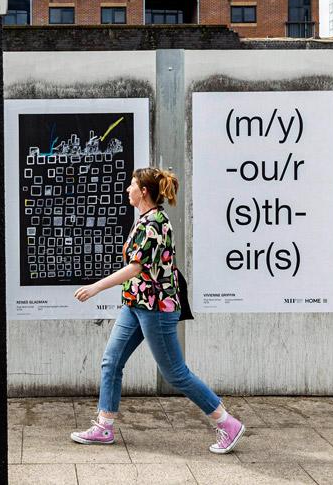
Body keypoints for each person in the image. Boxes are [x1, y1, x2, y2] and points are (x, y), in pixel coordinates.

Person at [69, 167, 245, 454]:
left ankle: (227, 423)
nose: (128, 189)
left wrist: (96, 287)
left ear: (144, 192)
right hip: (136, 304)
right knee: (111, 362)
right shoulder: (145, 220)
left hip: (156, 309)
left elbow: (136, 267)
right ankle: (104, 426)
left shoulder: (155, 223)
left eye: (132, 185)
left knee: (175, 373)